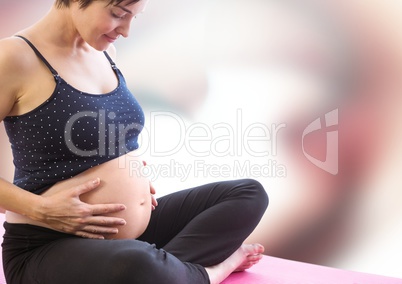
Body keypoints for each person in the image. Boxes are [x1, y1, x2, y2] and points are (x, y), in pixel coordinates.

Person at [0, 0, 268, 283]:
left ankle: (168, 273)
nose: (126, 31)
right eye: (118, 14)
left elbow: (92, 144)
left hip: (130, 237)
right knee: (137, 264)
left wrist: (129, 177)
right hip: (48, 244)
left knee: (248, 194)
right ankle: (211, 272)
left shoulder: (105, 53)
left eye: (134, 18)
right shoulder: (14, 57)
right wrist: (41, 209)